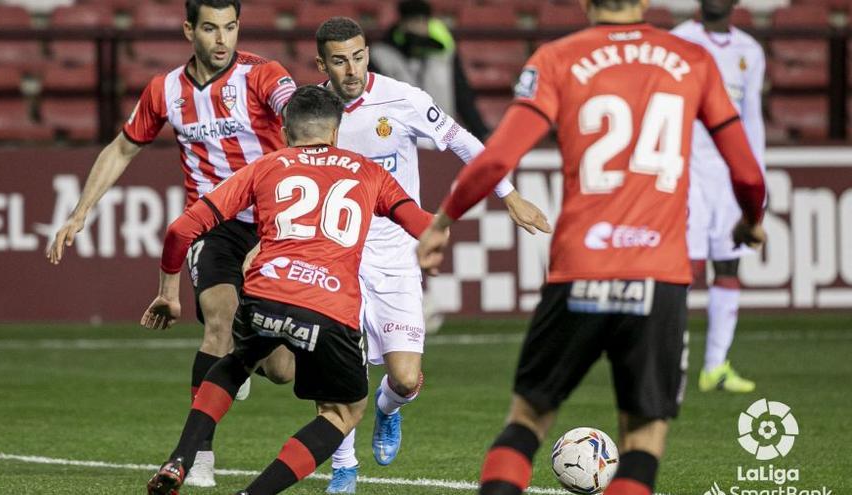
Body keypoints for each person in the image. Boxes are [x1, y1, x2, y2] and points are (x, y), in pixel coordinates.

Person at [416, 1, 767, 494]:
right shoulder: (693, 60)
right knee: (644, 437)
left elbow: (495, 160)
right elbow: (748, 172)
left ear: (585, 2)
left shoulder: (557, 57)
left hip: (580, 268)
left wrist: (443, 220)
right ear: (644, 0)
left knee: (528, 419)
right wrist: (752, 222)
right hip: (658, 274)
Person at [45, 0, 296, 487]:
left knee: (283, 369)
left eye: (230, 27)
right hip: (213, 224)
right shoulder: (166, 90)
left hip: (272, 224)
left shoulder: (264, 75)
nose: (221, 39)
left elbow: (299, 110)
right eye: (210, 28)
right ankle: (198, 454)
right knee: (219, 317)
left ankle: (240, 360)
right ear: (188, 30)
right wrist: (79, 213)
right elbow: (121, 148)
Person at [142, 84, 435, 495]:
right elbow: (424, 227)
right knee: (344, 410)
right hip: (329, 309)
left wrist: (168, 292)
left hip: (266, 294)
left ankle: (179, 458)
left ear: (283, 130)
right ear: (335, 133)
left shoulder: (266, 166)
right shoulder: (369, 172)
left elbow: (180, 231)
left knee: (237, 361)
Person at [311, 17, 551, 493]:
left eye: (358, 57)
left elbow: (465, 143)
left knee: (404, 378)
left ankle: (386, 410)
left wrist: (510, 194)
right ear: (322, 64)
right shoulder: (308, 110)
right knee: (340, 372)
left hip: (397, 256)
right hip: (336, 258)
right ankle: (342, 467)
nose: (351, 69)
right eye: (339, 60)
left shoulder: (403, 100)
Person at [672, 0, 765, 394]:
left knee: (728, 266)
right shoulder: (678, 42)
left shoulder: (750, 51)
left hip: (729, 176)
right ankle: (671, 362)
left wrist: (756, 179)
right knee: (683, 272)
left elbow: (753, 118)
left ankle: (716, 367)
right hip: (688, 171)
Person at [368, 0, 490, 140]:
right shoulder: (381, 54)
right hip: (400, 136)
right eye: (412, 21)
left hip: (440, 136)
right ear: (401, 23)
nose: (417, 27)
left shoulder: (444, 53)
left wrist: (481, 133)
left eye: (421, 21)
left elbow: (462, 94)